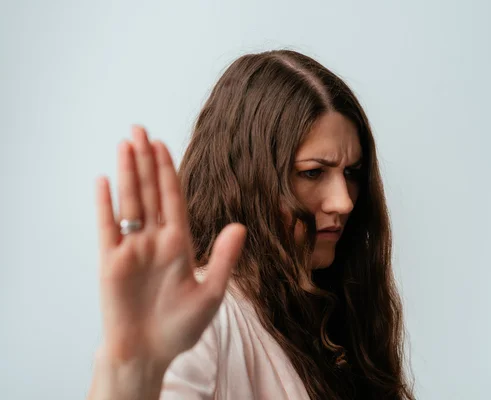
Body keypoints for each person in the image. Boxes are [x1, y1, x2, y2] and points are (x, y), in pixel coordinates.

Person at [88, 49, 415, 400]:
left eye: (351, 173)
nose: (344, 201)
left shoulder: (333, 315)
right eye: (313, 173)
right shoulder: (205, 319)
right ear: (247, 180)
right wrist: (132, 367)